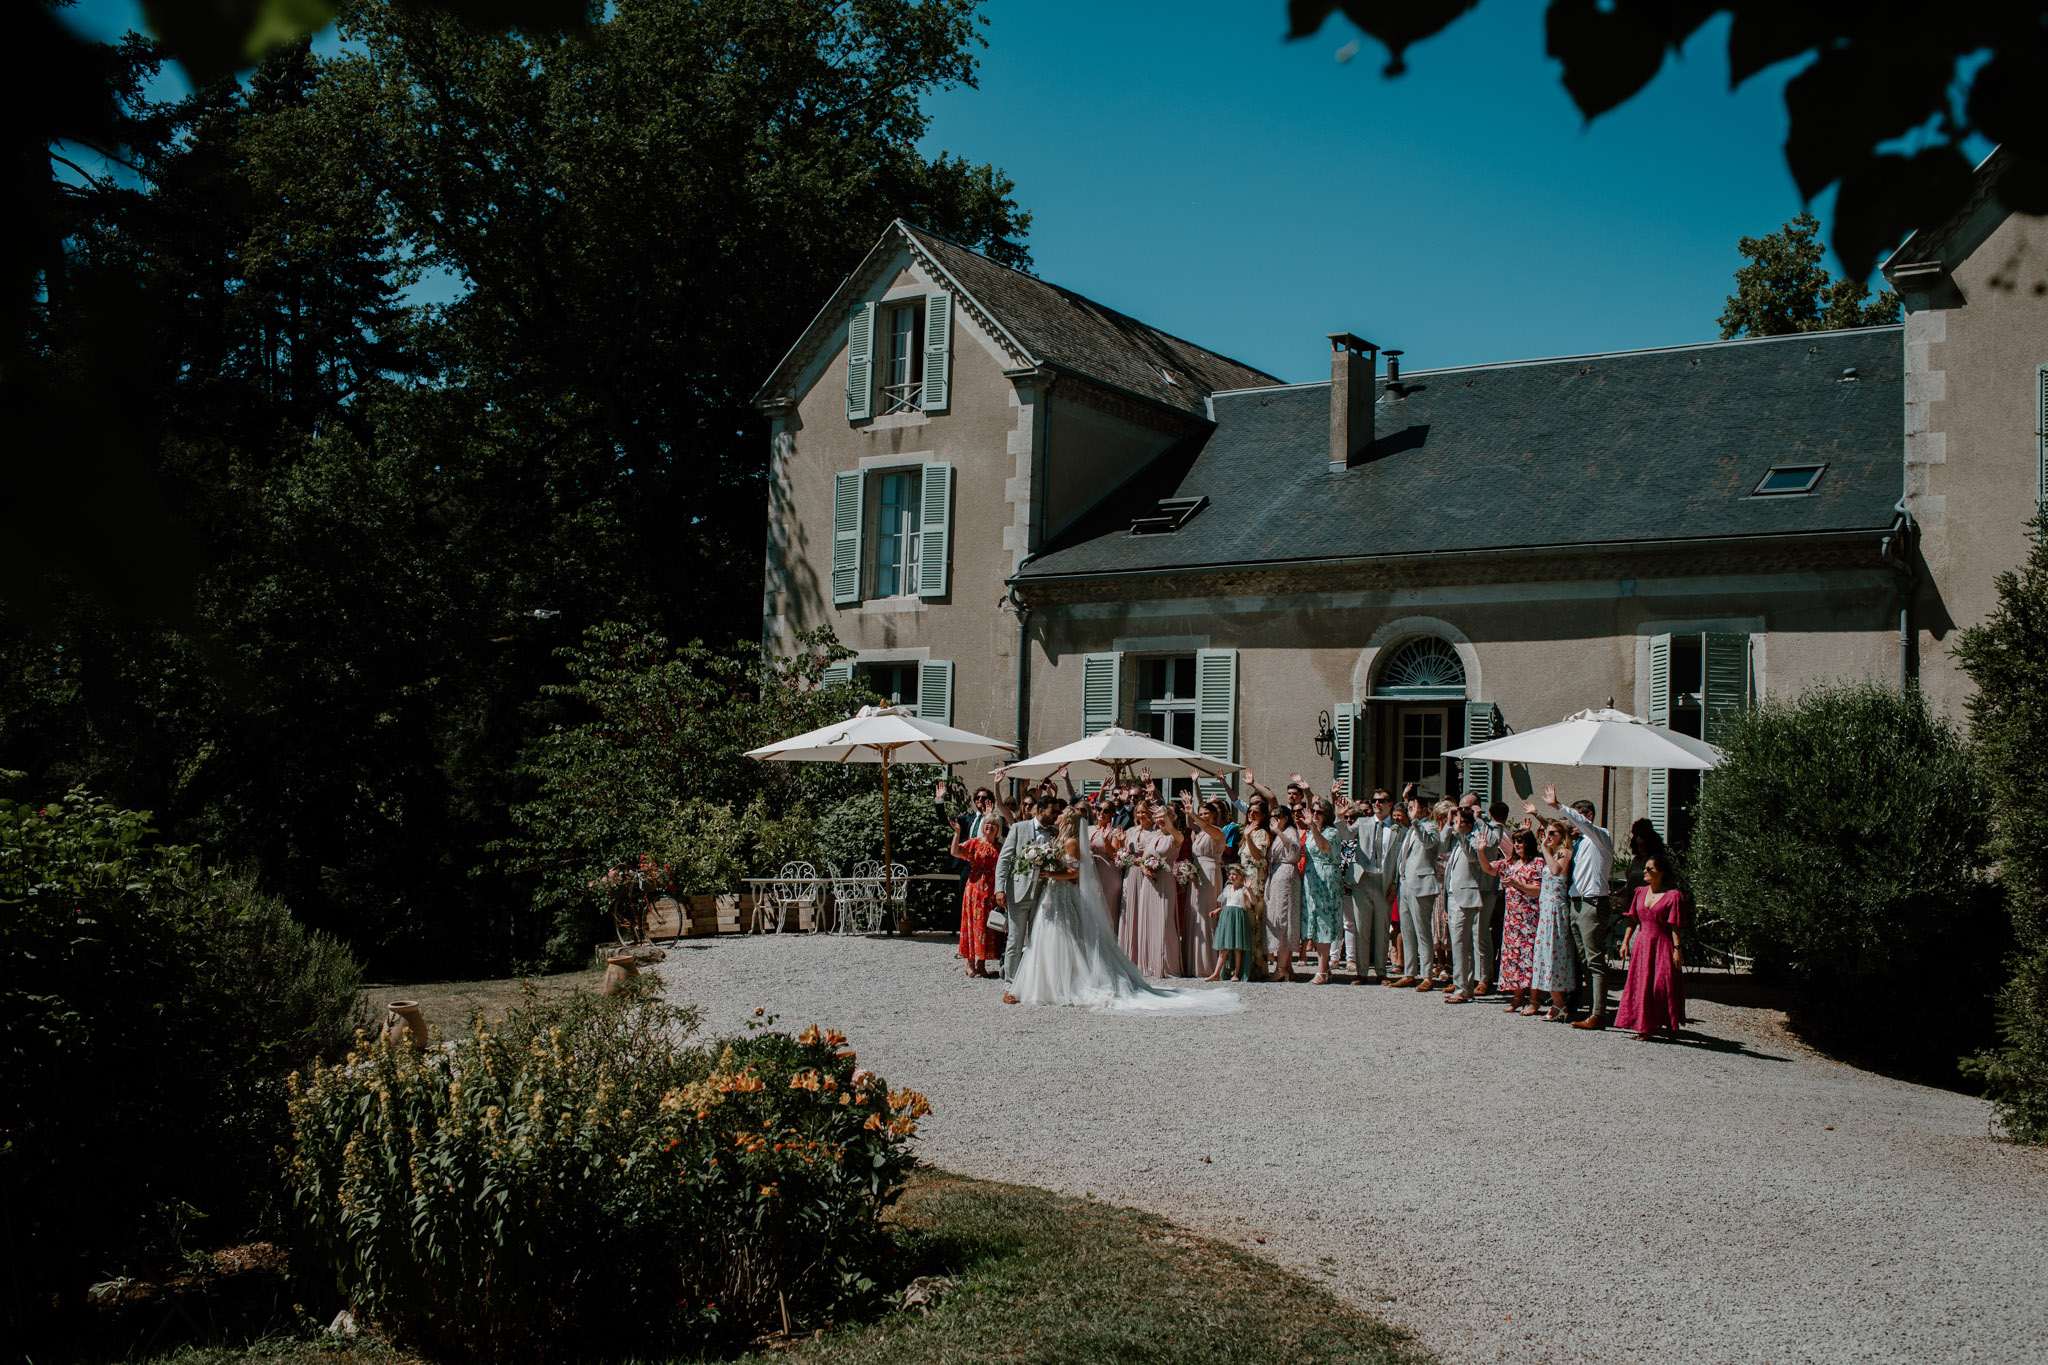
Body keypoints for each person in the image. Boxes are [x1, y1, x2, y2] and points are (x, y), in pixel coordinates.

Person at [1008, 806, 1239, 1014]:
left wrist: (1049, 874)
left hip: (1063, 893)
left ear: (1068, 820)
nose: (1057, 817)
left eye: (1061, 814)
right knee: (1049, 938)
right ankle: (1043, 985)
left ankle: (1062, 985)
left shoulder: (1071, 843)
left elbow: (1075, 874)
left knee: (1065, 939)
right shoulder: (1060, 840)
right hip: (1053, 894)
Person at [1534, 784, 1617, 1029]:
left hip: (1592, 904)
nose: (1569, 824)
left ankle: (1598, 1013)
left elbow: (1580, 824)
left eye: (1572, 819)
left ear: (1586, 817)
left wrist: (1558, 805)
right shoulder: (1577, 844)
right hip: (1574, 903)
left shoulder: (1600, 836)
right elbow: (1556, 834)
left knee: (1593, 960)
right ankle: (1580, 1005)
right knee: (1579, 959)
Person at [994, 793, 1065, 1004]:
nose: (1055, 816)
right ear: (1041, 810)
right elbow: (1004, 860)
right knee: (1015, 939)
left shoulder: (1055, 832)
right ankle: (1010, 984)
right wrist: (999, 889)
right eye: (1053, 812)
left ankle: (1034, 983)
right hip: (1018, 891)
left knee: (1037, 940)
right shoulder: (1019, 828)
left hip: (1043, 893)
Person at [1614, 850, 1687, 1040]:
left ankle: (1668, 1023)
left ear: (1660, 872)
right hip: (1642, 943)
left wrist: (1677, 950)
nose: (1644, 871)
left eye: (1649, 868)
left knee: (1661, 985)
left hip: (1662, 944)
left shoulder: (1673, 896)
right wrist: (1625, 942)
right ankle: (1643, 1026)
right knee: (1641, 984)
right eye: (1644, 868)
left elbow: (1674, 925)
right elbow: (1632, 920)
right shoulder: (1639, 892)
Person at [1127, 799, 1184, 977]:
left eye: (1163, 817)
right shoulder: (1153, 835)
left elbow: (1177, 838)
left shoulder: (1175, 836)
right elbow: (1143, 857)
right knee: (1148, 919)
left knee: (1165, 921)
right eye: (1157, 817)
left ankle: (1167, 965)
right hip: (1148, 882)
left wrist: (1165, 817)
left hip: (1165, 881)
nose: (1159, 820)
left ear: (1171, 817)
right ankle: (1150, 964)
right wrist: (1144, 867)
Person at [1489, 829, 1544, 1014]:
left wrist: (1516, 884)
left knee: (1529, 958)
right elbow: (1488, 868)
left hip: (1529, 918)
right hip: (1512, 918)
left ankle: (1534, 1000)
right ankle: (1517, 997)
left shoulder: (1537, 862)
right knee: (1513, 957)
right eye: (1516, 842)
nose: (1518, 845)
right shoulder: (1512, 863)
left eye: (1521, 841)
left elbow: (1537, 890)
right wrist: (1481, 850)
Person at [1391, 795, 1442, 990]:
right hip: (1405, 885)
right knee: (1407, 931)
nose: (1410, 810)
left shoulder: (1430, 827)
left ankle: (1427, 975)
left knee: (1423, 932)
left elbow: (1429, 843)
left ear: (1422, 810)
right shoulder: (1411, 830)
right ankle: (1409, 973)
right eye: (1409, 807)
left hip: (1421, 885)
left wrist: (1414, 821)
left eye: (1413, 807)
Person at [1347, 789, 1397, 984]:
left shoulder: (1397, 829)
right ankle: (1361, 972)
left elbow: (1400, 860)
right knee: (1361, 928)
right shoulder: (1363, 822)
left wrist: (1395, 883)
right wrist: (1339, 813)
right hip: (1363, 878)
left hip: (1384, 880)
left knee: (1382, 929)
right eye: (1375, 801)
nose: (1377, 804)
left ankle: (1381, 971)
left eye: (1382, 801)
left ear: (1390, 804)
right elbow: (1344, 834)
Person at [1530, 818, 1578, 1021]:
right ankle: (1557, 1002)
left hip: (1556, 910)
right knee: (1544, 954)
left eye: (1553, 834)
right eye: (1546, 833)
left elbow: (1557, 870)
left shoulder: (1564, 853)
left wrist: (1544, 849)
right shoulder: (1553, 853)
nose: (1548, 837)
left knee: (1553, 955)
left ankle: (1560, 1004)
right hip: (1546, 908)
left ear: (1562, 837)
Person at [1440, 806, 1487, 1003]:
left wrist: (1460, 834)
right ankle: (1463, 985)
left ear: (1467, 823)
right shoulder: (1458, 840)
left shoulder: (1474, 838)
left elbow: (1472, 857)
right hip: (1452, 897)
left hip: (1465, 898)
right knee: (1458, 944)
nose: (1455, 824)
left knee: (1461, 944)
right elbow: (1441, 846)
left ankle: (1462, 988)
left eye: (1458, 821)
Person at [951, 811, 1005, 978]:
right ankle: (969, 962)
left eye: (993, 825)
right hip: (974, 889)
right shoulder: (974, 843)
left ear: (998, 829)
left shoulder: (1000, 847)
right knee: (973, 926)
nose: (989, 827)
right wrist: (957, 833)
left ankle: (981, 964)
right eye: (987, 824)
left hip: (991, 892)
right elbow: (955, 851)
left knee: (987, 928)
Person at [1301, 798, 1343, 984]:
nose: (1315, 815)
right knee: (1315, 921)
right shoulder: (1311, 831)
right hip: (1312, 878)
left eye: (1319, 812)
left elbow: (1324, 847)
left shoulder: (1332, 832)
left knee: (1324, 921)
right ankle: (1324, 967)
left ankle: (1322, 970)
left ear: (1327, 815)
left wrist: (1313, 827)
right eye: (1314, 811)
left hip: (1326, 879)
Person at [1188, 798, 1227, 978]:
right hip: (1197, 874)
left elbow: (1203, 826)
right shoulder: (1198, 834)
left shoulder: (1216, 831)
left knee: (1208, 914)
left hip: (1210, 874)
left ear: (1214, 815)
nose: (1203, 816)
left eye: (1206, 813)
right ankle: (1195, 963)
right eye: (1201, 813)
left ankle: (1211, 963)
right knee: (1196, 913)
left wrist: (1193, 814)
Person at [1264, 807, 1303, 982]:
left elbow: (1295, 851)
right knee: (1279, 918)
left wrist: (1278, 831)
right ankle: (1286, 967)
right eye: (1272, 817)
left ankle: (1281, 968)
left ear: (1286, 818)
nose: (1274, 819)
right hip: (1277, 875)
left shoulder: (1290, 831)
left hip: (1286, 875)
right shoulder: (1281, 832)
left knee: (1283, 920)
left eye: (1277, 816)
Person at [1238, 796, 1273, 981]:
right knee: (1244, 923)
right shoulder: (1247, 831)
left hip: (1256, 883)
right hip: (1243, 882)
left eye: (1256, 812)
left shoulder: (1262, 833)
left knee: (1255, 925)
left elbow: (1259, 856)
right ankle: (1241, 967)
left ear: (1263, 816)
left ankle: (1256, 968)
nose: (1251, 815)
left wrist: (1248, 838)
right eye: (1250, 811)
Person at [1209, 863, 1254, 982]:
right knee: (1224, 947)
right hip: (1227, 917)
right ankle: (1216, 973)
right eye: (1230, 874)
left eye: (1235, 874)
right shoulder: (1227, 888)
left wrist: (1249, 889)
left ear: (1241, 877)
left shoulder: (1243, 890)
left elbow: (1252, 902)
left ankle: (1236, 973)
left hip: (1238, 918)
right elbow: (1225, 903)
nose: (1231, 876)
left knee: (1237, 948)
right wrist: (1217, 910)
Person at [1087, 801, 1124, 931]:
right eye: (1099, 809)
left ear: (1112, 814)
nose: (1101, 813)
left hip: (1108, 875)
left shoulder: (1114, 832)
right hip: (1090, 874)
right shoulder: (1088, 829)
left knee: (1107, 912)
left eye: (1106, 811)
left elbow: (1115, 856)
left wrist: (1106, 841)